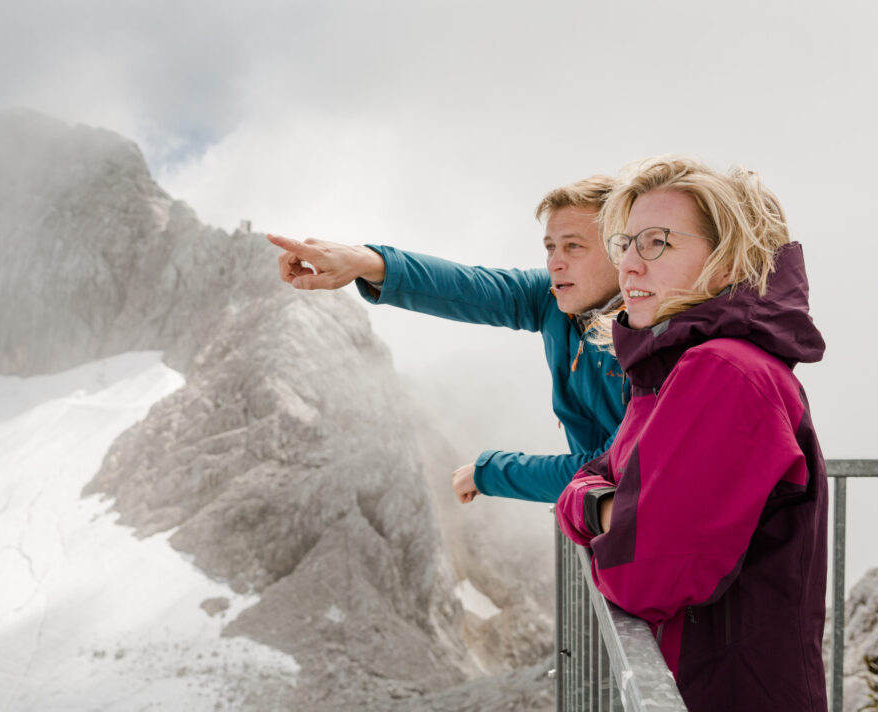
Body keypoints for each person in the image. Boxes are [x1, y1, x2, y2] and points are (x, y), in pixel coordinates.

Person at [555, 156, 827, 711]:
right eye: (624, 242)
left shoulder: (724, 373)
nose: (629, 265)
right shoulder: (672, 373)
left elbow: (643, 575)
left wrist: (593, 507)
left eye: (657, 242)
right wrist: (610, 505)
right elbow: (595, 478)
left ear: (727, 259)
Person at [267, 176, 630, 504]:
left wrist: (489, 471)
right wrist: (364, 261)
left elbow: (615, 472)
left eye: (574, 246)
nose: (555, 262)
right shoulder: (554, 300)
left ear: (620, 253)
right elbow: (467, 287)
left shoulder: (651, 339)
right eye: (550, 247)